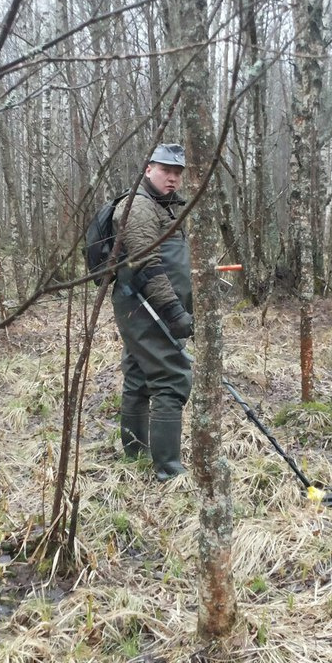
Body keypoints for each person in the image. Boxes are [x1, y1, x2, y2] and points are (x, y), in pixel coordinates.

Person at [112, 143, 194, 481]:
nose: (172, 179)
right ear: (148, 170)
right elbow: (147, 266)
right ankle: (168, 470)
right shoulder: (139, 208)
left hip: (148, 309)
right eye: (165, 171)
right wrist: (174, 313)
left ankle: (134, 452)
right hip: (146, 308)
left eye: (177, 173)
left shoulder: (166, 207)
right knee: (171, 378)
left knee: (138, 377)